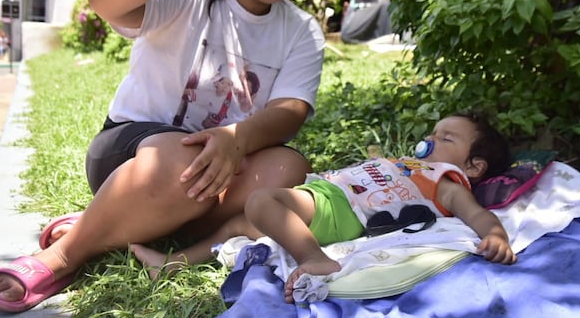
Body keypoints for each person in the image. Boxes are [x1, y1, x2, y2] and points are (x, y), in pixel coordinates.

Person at [0, 0, 325, 313]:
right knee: (179, 159)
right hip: (132, 154)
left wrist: (236, 139)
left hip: (217, 172)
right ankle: (64, 255)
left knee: (289, 169)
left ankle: (116, 224)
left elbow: (290, 110)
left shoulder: (301, 30)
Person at [132, 112, 518, 302]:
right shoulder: (417, 165)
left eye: (445, 138)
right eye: (432, 132)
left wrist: (496, 235)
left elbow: (478, 214)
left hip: (344, 212)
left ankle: (313, 257)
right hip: (331, 196)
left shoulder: (447, 183)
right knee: (237, 224)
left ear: (473, 166)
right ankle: (170, 265)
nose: (430, 141)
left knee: (262, 201)